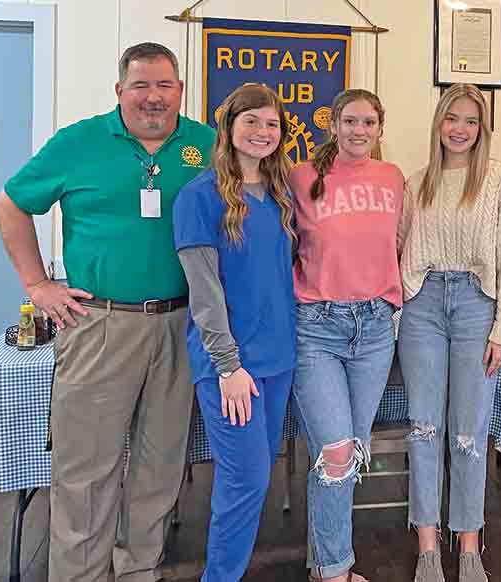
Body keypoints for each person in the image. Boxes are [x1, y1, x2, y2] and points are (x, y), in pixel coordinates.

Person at [0, 42, 214, 581]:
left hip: (181, 325)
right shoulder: (79, 142)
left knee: (160, 467)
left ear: (180, 90)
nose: (153, 97)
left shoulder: (207, 144)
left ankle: (140, 570)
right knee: (85, 472)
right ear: (120, 92)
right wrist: (37, 284)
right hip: (100, 324)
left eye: (164, 85)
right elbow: (10, 204)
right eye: (141, 85)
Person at [398, 83, 501, 582]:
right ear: (438, 123)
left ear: (482, 130)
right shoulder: (417, 182)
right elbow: (398, 248)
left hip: (478, 304)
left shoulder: (500, 181)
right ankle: (428, 545)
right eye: (452, 118)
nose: (460, 129)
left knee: (470, 434)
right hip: (422, 305)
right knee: (424, 428)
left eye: (471, 121)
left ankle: (468, 543)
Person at [172, 83, 296, 581]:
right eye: (252, 121)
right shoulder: (198, 198)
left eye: (272, 124)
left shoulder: (281, 195)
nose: (262, 132)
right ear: (228, 127)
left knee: (254, 477)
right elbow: (205, 295)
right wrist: (228, 367)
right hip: (230, 366)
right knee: (244, 479)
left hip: (278, 360)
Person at [289, 88, 404, 582]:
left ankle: (324, 565)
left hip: (376, 327)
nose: (359, 131)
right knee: (336, 451)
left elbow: (400, 243)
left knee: (349, 453)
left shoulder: (393, 178)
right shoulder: (300, 177)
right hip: (317, 327)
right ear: (333, 124)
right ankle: (336, 570)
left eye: (369, 123)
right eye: (350, 121)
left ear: (380, 129)